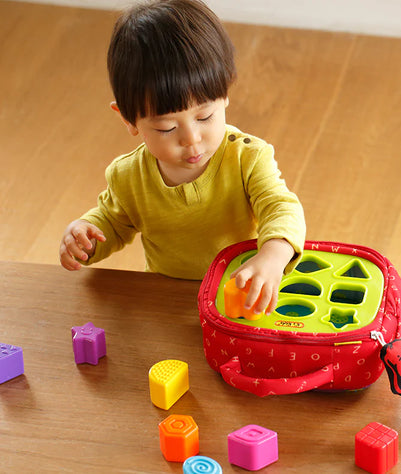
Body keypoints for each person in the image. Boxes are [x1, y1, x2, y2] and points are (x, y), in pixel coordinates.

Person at [59, 0, 305, 315]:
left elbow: (281, 207)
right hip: (169, 300)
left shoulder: (247, 157)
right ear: (128, 119)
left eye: (205, 117)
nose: (192, 139)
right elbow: (113, 222)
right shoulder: (129, 176)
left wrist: (272, 256)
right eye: (167, 127)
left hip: (241, 294)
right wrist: (85, 235)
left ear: (226, 92)